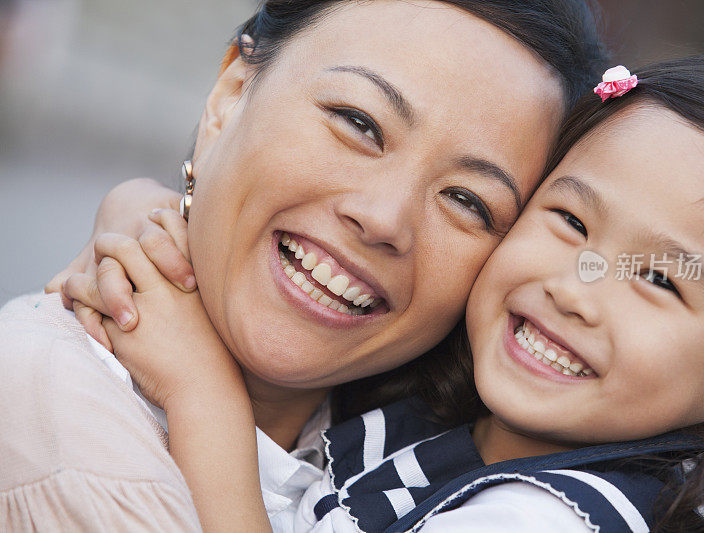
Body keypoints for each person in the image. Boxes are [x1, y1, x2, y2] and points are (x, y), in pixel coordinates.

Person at [72, 53, 704, 531]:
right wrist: (147, 219)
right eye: (571, 219)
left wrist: (202, 392)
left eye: (659, 279)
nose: (576, 287)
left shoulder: (551, 518)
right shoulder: (449, 405)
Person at [0, 0, 605, 531]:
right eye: (359, 123)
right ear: (231, 96)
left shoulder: (449, 478)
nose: (384, 218)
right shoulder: (65, 436)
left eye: (468, 201)